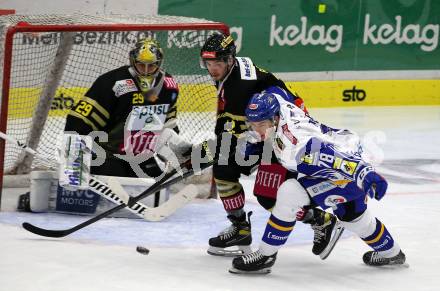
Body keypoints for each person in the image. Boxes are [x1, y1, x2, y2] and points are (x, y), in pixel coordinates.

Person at [229, 90, 407, 274]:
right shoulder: (278, 105)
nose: (257, 129)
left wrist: (365, 173)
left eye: (262, 124)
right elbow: (276, 92)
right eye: (253, 124)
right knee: (354, 218)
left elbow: (335, 158)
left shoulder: (297, 143)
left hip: (344, 170)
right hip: (346, 145)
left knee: (290, 193)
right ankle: (392, 254)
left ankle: (265, 256)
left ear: (274, 119)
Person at [200, 33, 341, 258]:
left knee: (268, 195)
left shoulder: (239, 86)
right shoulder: (231, 73)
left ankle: (321, 220)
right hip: (264, 130)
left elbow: (239, 128)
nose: (212, 68)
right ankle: (240, 228)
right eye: (208, 63)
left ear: (229, 60)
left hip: (285, 136)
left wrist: (210, 150)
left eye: (217, 63)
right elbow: (232, 122)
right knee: (224, 168)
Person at [64, 38, 179, 179]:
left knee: (158, 181)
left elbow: (169, 125)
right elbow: (78, 121)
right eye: (141, 65)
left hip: (141, 156)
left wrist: (175, 152)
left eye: (151, 66)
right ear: (132, 61)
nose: (146, 71)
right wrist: (74, 165)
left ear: (159, 64)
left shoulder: (169, 85)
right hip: (108, 154)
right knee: (117, 178)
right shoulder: (112, 82)